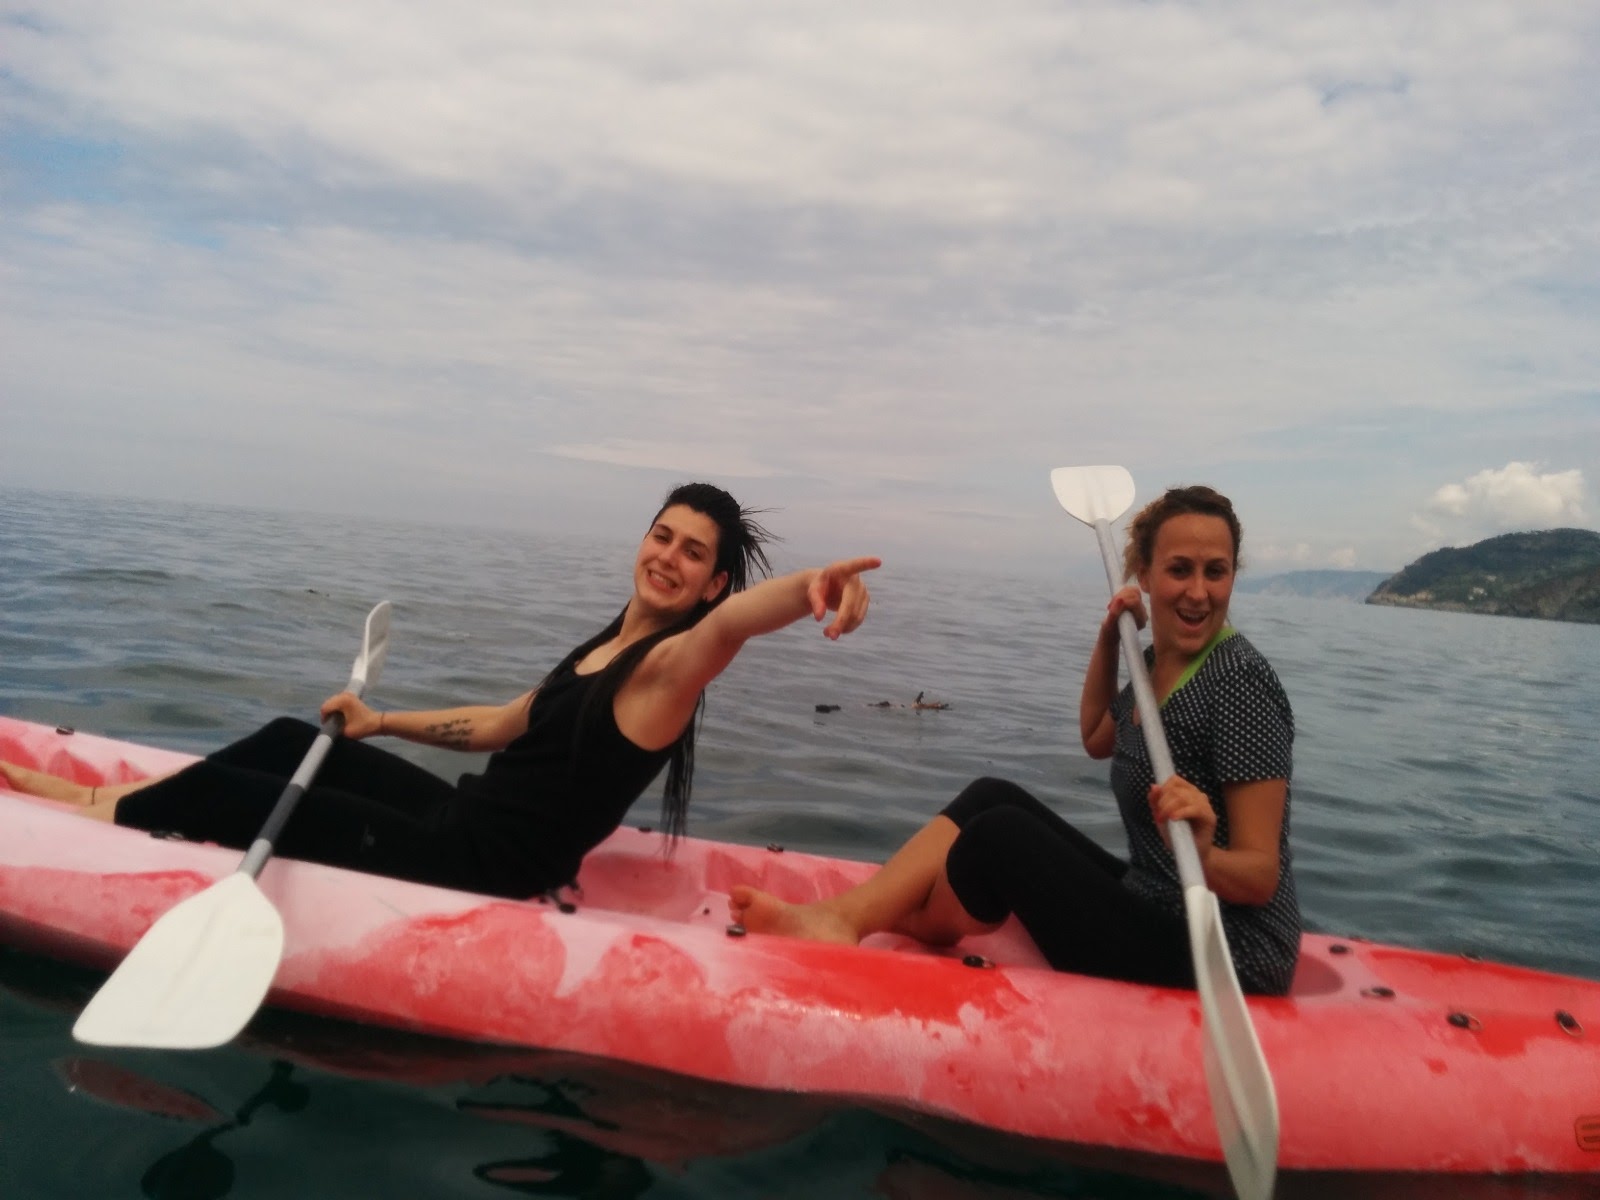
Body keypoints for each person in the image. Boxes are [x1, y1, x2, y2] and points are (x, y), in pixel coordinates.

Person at [3, 483, 880, 901]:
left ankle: (63, 821)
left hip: (484, 869)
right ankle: (89, 792)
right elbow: (502, 725)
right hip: (461, 820)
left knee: (242, 797)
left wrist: (809, 587)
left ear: (715, 583)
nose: (669, 557)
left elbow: (732, 631)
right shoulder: (609, 644)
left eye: (694, 553)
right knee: (288, 743)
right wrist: (379, 721)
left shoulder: (670, 666)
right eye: (662, 535)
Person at [730, 484, 1300, 995]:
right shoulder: (1156, 662)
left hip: (1227, 951)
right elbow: (1098, 736)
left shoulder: (1238, 681)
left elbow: (1258, 877)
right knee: (990, 795)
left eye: (1215, 571)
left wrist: (1198, 852)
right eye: (1180, 570)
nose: (1198, 592)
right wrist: (1109, 639)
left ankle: (897, 918)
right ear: (1143, 577)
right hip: (1156, 898)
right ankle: (855, 916)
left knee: (1003, 837)